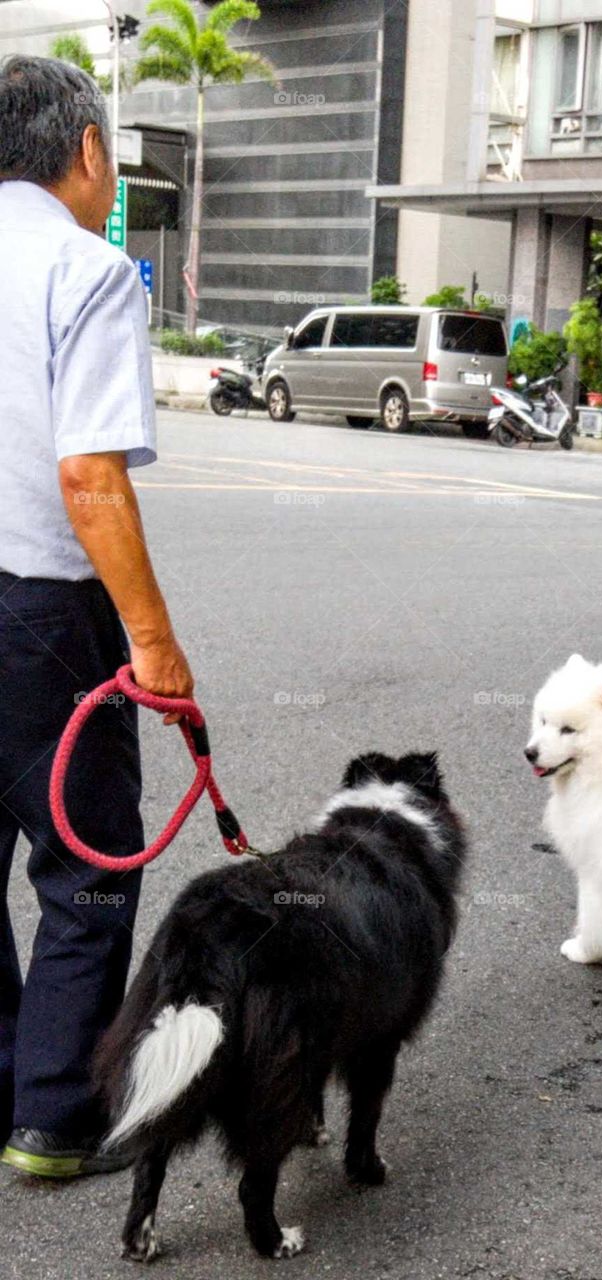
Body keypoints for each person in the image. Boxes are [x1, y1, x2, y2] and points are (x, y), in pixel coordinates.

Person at [0, 56, 193, 1177]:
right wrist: (154, 641)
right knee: (88, 864)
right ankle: (55, 1114)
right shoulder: (87, 268)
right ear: (85, 149)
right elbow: (89, 475)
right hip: (41, 614)